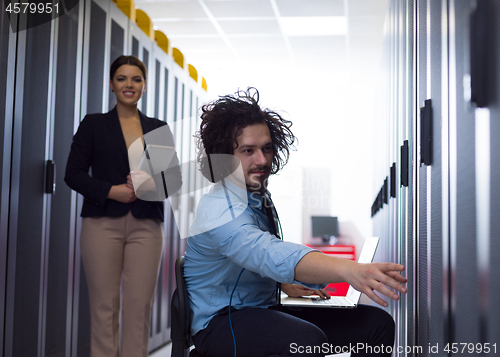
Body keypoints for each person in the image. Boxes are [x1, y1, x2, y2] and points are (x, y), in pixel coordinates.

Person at [184, 88, 407, 357]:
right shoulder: (220, 208)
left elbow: (250, 262)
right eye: (248, 151)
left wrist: (282, 285)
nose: (262, 160)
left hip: (258, 309)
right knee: (305, 340)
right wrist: (348, 270)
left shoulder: (254, 196)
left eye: (267, 148)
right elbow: (265, 252)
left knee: (376, 325)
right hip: (220, 325)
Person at [65, 55, 181, 357]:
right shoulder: (93, 124)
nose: (129, 84)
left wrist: (150, 185)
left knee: (139, 307)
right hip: (101, 223)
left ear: (144, 85)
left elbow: (173, 181)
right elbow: (73, 173)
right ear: (112, 84)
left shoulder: (158, 127)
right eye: (122, 78)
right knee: (104, 307)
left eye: (136, 79)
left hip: (147, 225)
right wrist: (111, 191)